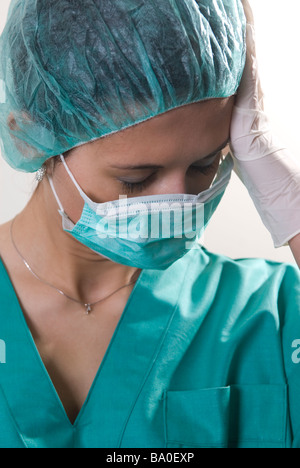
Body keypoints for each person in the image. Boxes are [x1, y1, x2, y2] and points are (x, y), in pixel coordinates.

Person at [0, 0, 299, 449]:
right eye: (136, 178)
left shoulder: (267, 314)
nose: (177, 202)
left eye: (205, 165)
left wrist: (289, 202)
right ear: (32, 135)